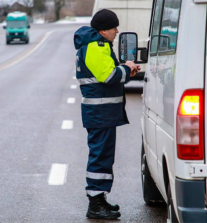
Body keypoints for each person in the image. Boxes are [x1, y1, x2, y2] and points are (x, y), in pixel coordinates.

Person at [73, 9, 140, 220]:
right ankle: (95, 204)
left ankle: (100, 199)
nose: (117, 31)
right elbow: (109, 76)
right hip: (100, 113)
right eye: (113, 27)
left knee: (103, 157)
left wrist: (127, 71)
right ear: (103, 30)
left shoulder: (97, 46)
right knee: (100, 157)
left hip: (102, 112)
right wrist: (126, 69)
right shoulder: (95, 47)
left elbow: (109, 75)